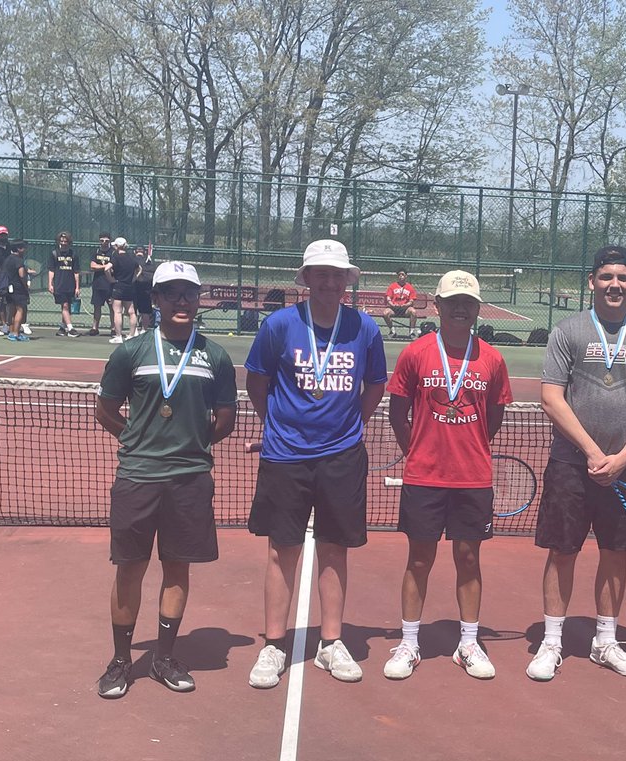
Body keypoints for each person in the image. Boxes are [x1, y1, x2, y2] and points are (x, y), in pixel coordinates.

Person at [245, 239, 388, 689]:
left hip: (342, 458)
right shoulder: (279, 325)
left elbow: (374, 386)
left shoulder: (364, 329)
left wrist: (349, 428)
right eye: (320, 273)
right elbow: (257, 381)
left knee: (334, 547)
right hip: (285, 456)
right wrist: (275, 426)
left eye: (337, 274)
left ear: (348, 280)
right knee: (281, 549)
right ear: (305, 279)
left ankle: (329, 643)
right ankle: (273, 644)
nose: (329, 282)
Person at [93, 261, 238, 698]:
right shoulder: (131, 352)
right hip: (138, 476)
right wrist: (137, 439)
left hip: (190, 480)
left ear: (198, 301)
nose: (181, 301)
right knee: (130, 569)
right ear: (155, 299)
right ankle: (121, 661)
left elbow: (225, 421)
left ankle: (164, 657)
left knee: (177, 568)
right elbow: (106, 410)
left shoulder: (215, 356)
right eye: (171, 293)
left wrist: (190, 446)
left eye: (188, 294)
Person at [526, 245, 626, 681]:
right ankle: (552, 641)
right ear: (592, 282)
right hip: (571, 465)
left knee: (616, 554)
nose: (615, 285)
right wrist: (592, 452)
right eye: (606, 276)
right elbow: (551, 397)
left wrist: (624, 457)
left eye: (623, 278)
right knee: (562, 552)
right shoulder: (567, 331)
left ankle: (606, 640)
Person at [383, 270, 513, 680]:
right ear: (436, 306)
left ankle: (469, 643)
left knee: (468, 558)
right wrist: (420, 452)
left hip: (473, 478)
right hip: (424, 477)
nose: (461, 309)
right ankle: (408, 643)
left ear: (477, 309)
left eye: (468, 303)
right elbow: (397, 414)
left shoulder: (492, 358)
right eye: (453, 301)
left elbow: (493, 418)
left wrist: (467, 448)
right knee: (419, 559)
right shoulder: (415, 353)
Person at [106, 237, 141, 343]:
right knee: (131, 312)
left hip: (119, 286)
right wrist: (134, 279)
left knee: (117, 311)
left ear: (117, 246)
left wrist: (111, 279)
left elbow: (106, 268)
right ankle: (131, 335)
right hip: (129, 287)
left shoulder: (115, 257)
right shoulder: (131, 257)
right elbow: (139, 268)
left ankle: (119, 336)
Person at [49, 232, 82, 337]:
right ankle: (70, 328)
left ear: (69, 242)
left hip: (70, 284)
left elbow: (76, 272)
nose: (63, 243)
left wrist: (77, 287)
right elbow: (51, 270)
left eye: (65, 241)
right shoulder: (54, 253)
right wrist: (50, 284)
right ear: (58, 241)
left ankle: (62, 327)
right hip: (59, 284)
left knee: (67, 305)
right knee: (65, 305)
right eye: (61, 241)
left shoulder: (73, 254)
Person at [2, 239, 31, 342]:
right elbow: (22, 275)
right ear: (19, 249)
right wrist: (26, 287)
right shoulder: (18, 260)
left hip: (9, 288)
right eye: (23, 247)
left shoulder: (8, 259)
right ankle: (15, 333)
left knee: (12, 310)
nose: (25, 249)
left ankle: (12, 332)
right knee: (20, 310)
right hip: (18, 288)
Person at [88, 232, 113, 336]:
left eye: (106, 241)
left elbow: (114, 266)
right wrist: (106, 267)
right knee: (97, 306)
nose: (104, 243)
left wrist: (101, 267)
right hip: (98, 283)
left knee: (113, 307)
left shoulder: (113, 252)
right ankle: (95, 328)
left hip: (110, 284)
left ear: (109, 241)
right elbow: (92, 266)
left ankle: (114, 328)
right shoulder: (96, 252)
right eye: (102, 240)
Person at [383, 268, 418, 339]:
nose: (401, 276)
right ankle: (392, 331)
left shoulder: (410, 287)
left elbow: (411, 301)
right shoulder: (392, 286)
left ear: (406, 276)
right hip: (394, 308)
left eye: (403, 274)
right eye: (399, 275)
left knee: (413, 312)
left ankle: (412, 333)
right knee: (385, 313)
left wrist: (406, 305)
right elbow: (388, 298)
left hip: (405, 309)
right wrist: (392, 304)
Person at [132, 246, 155, 334]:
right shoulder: (150, 262)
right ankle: (144, 330)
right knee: (145, 311)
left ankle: (134, 330)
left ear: (135, 251)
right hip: (146, 289)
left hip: (135, 288)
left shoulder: (132, 260)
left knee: (133, 311)